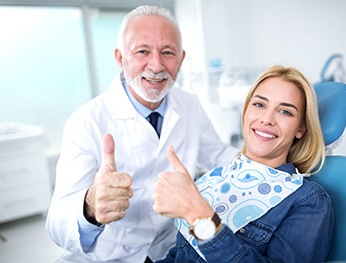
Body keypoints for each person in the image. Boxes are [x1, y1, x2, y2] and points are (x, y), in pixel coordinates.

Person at [45, 5, 238, 263]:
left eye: (167, 53)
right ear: (120, 58)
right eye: (142, 51)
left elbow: (219, 155)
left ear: (181, 59)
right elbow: (56, 223)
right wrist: (89, 207)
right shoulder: (85, 122)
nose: (156, 65)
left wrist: (271, 161)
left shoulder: (189, 104)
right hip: (107, 254)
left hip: (170, 248)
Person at [153, 65, 334, 262]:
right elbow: (179, 255)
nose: (267, 119)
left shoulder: (308, 202)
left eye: (285, 111)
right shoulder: (218, 179)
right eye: (259, 105)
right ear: (245, 111)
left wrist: (199, 215)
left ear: (301, 128)